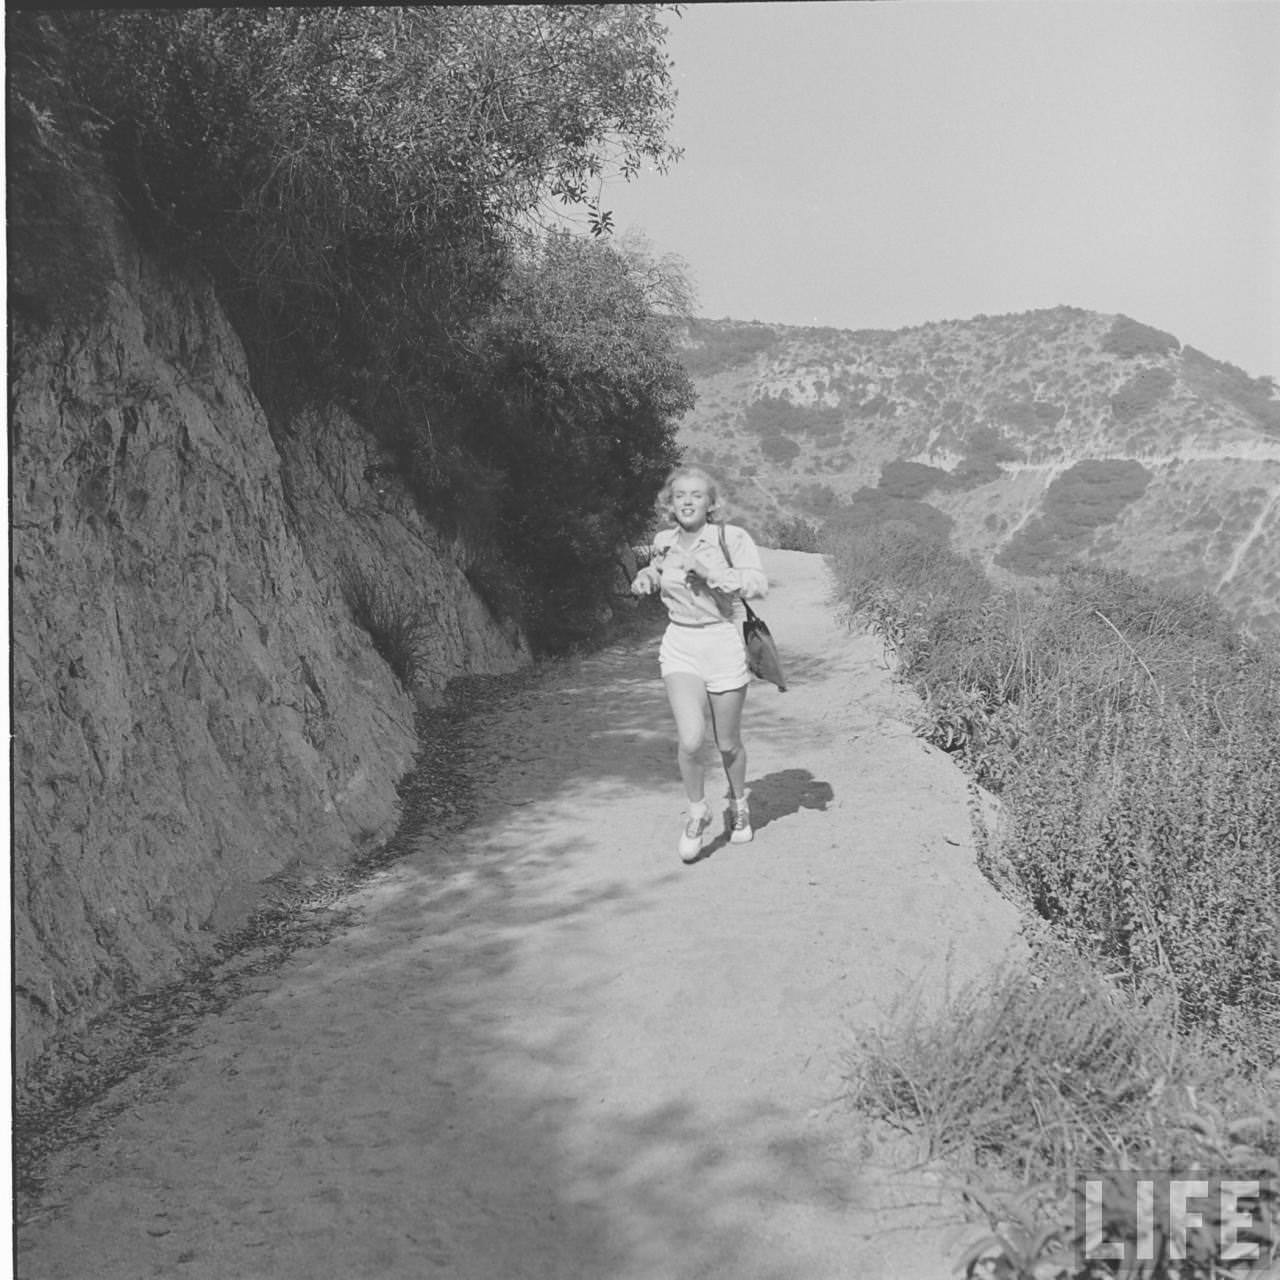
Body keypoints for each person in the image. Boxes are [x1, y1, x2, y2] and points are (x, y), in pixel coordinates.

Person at [631, 466, 769, 862]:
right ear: (670, 504)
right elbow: (658, 569)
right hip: (680, 644)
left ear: (711, 503)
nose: (688, 501)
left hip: (721, 640)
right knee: (691, 739)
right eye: (680, 496)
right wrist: (647, 578)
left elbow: (758, 584)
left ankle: (739, 803)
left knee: (727, 743)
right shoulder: (663, 541)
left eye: (696, 495)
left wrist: (709, 572)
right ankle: (697, 811)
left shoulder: (731, 539)